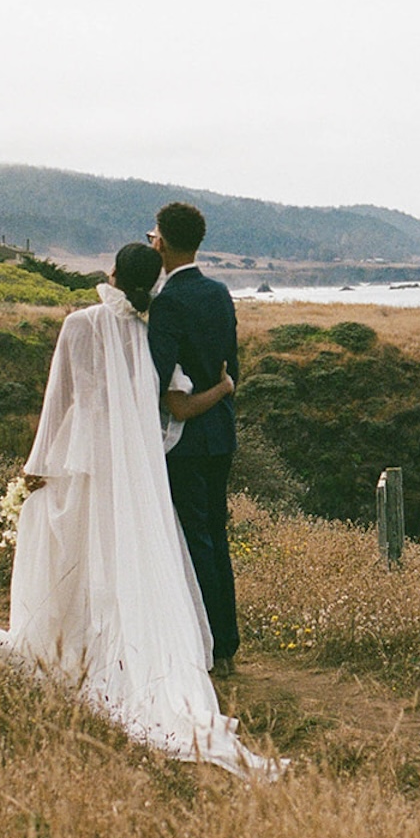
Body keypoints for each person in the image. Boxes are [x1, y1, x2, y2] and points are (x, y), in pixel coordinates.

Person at [0, 244, 281, 779]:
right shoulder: (154, 335)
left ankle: (75, 641)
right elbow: (175, 410)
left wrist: (36, 471)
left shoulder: (79, 325)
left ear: (112, 274)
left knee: (78, 546)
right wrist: (218, 391)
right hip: (132, 471)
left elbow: (58, 404)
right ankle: (122, 646)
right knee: (127, 551)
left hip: (81, 461)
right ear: (153, 282)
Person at [146, 202, 242, 678]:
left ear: (161, 240)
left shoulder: (167, 303)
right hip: (220, 433)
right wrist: (222, 390)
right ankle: (226, 641)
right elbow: (233, 367)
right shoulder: (220, 292)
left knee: (194, 541)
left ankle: (207, 642)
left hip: (183, 439)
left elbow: (157, 377)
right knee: (216, 538)